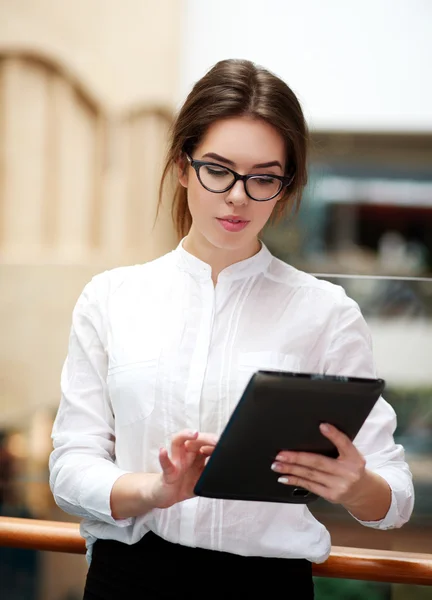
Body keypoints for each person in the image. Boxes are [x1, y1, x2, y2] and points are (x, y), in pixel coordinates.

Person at [49, 58, 414, 599]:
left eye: (263, 177)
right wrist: (156, 489)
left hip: (267, 587)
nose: (238, 195)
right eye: (217, 169)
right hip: (129, 580)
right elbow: (69, 466)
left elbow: (397, 496)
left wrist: (357, 487)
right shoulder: (112, 298)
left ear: (286, 187)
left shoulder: (326, 313)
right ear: (182, 165)